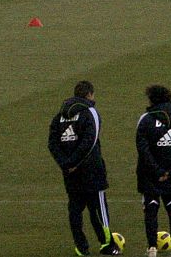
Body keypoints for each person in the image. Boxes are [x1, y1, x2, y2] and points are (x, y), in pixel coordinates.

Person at [49, 80, 122, 256]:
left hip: (69, 173)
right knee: (98, 209)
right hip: (91, 170)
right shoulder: (90, 112)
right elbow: (89, 142)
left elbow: (52, 144)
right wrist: (75, 162)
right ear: (89, 94)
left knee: (75, 210)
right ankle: (107, 245)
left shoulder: (59, 116)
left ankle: (81, 248)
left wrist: (65, 164)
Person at [136, 85, 171, 257]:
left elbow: (142, 149)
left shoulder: (146, 120)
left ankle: (152, 247)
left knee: (151, 208)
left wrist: (158, 170)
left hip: (149, 174)